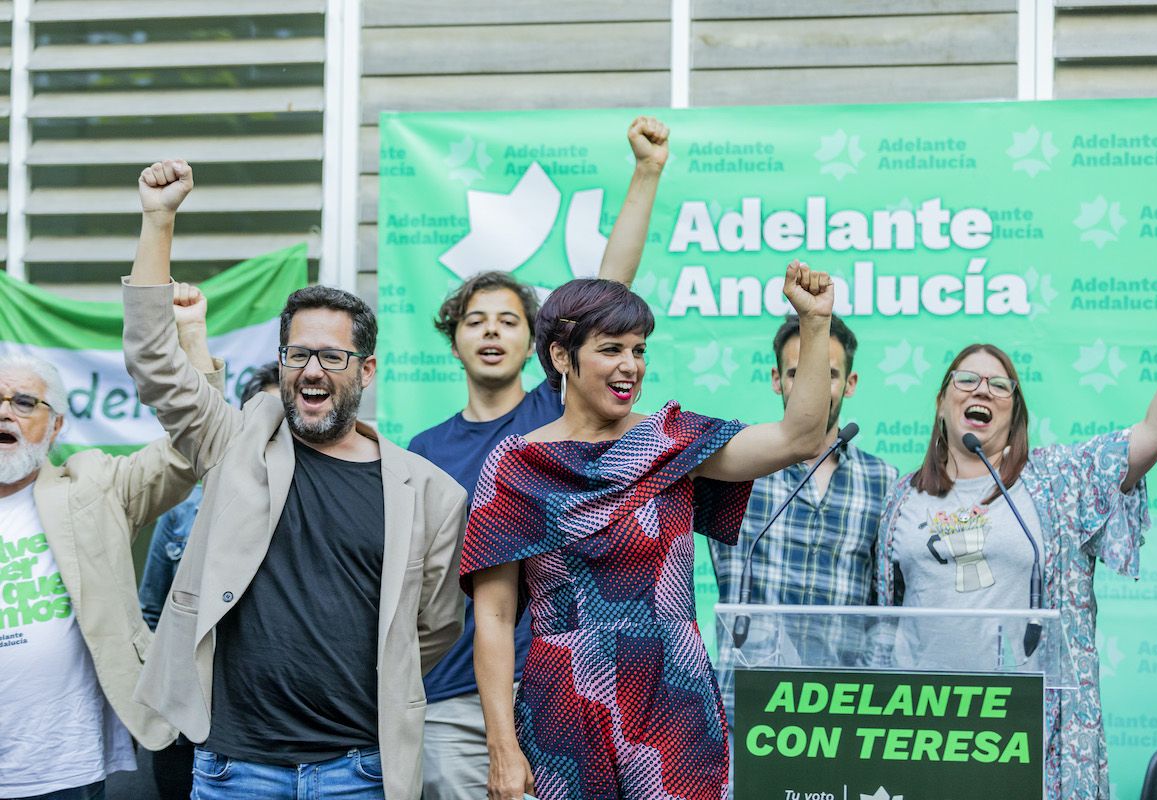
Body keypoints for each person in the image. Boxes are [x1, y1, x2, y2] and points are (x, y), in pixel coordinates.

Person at [123, 160, 467, 799]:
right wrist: (158, 219)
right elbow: (153, 358)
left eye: (332, 357)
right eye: (298, 355)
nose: (313, 370)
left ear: (365, 371)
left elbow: (437, 626)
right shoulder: (233, 443)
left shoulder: (431, 494)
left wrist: (374, 681)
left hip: (360, 772)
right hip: (235, 769)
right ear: (281, 364)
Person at [461, 261, 836, 800]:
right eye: (611, 349)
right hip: (566, 705)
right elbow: (493, 617)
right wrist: (501, 746)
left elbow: (799, 438)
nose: (630, 366)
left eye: (639, 351)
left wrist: (814, 323)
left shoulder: (673, 441)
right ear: (562, 357)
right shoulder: (518, 463)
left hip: (673, 692)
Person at [409, 115, 668, 800]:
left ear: (541, 348)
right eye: (475, 320)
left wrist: (645, 173)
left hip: (552, 686)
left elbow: (609, 291)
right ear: (455, 341)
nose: (491, 331)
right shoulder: (421, 451)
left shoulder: (548, 415)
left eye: (509, 321)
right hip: (448, 701)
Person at [874, 276, 1157, 800]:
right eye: (966, 380)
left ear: (1014, 411)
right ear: (940, 402)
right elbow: (878, 619)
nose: (982, 390)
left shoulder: (1058, 480)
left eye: (999, 385)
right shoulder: (898, 499)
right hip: (920, 734)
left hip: (1023, 738)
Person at [0, 334, 221, 799]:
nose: (5, 412)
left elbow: (191, 445)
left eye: (23, 402)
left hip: (60, 770)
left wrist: (194, 346)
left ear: (56, 425)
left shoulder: (93, 488)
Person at [709, 315, 897, 708]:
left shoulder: (884, 480)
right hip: (745, 705)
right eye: (797, 373)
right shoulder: (736, 466)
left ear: (850, 384)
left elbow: (886, 609)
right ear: (777, 379)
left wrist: (869, 694)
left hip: (840, 713)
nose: (812, 388)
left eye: (828, 374)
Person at [137, 361, 279, 800]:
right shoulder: (183, 513)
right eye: (263, 419)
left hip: (277, 728)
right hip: (192, 727)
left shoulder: (317, 511)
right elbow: (153, 611)